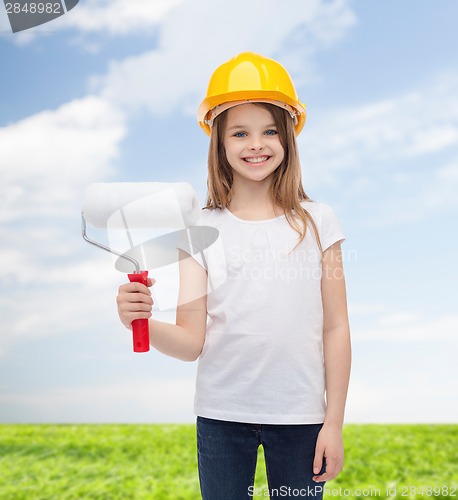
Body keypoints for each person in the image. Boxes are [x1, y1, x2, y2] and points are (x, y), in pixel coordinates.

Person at [116, 52, 351, 500]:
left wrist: (333, 422)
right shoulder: (199, 231)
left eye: (269, 131)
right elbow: (191, 342)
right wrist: (140, 320)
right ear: (219, 143)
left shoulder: (320, 222)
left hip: (302, 417)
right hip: (222, 417)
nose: (255, 144)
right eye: (240, 132)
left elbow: (336, 326)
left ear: (288, 138)